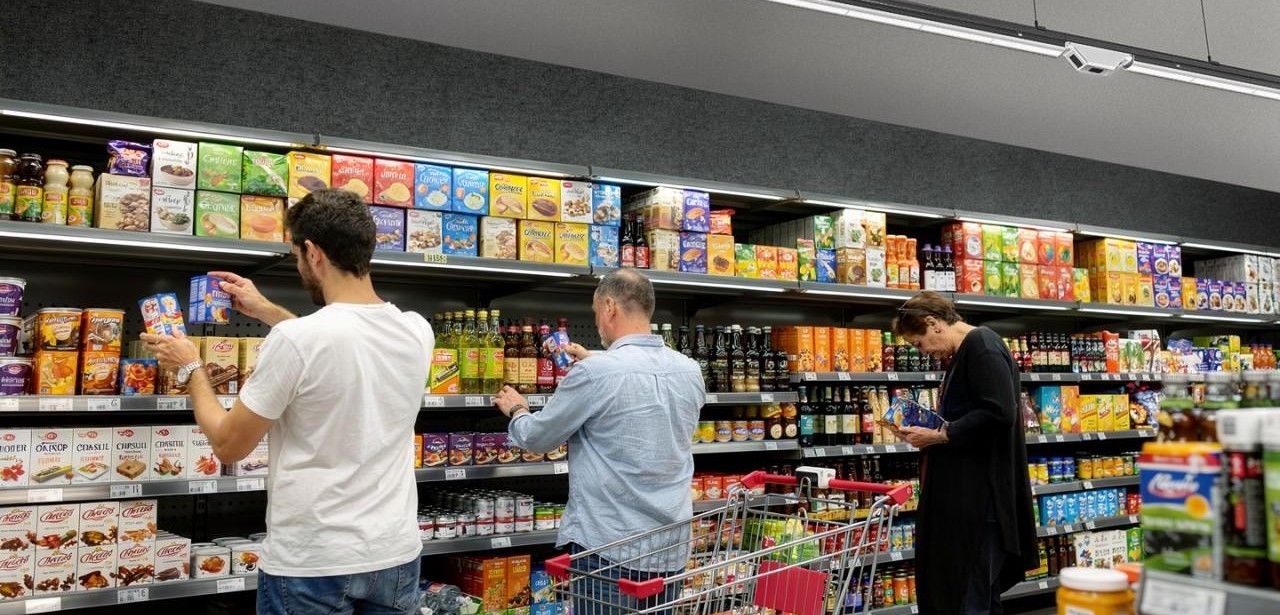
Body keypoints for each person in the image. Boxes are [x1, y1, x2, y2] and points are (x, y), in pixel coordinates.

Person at [143, 189, 433, 615]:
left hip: (313, 563)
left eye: (297, 255)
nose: (299, 266)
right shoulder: (416, 329)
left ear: (313, 253)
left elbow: (228, 445)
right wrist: (267, 310)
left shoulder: (297, 340)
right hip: (396, 555)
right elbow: (337, 346)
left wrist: (191, 368)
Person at [492, 269, 703, 614]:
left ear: (609, 307)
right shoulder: (689, 370)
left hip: (610, 549)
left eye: (594, 312)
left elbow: (537, 438)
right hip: (670, 548)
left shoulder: (595, 373)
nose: (596, 321)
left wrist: (517, 409)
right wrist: (598, 362)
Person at [888, 291, 1036, 615]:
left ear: (933, 323)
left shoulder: (982, 345)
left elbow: (1000, 412)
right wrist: (929, 429)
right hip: (967, 502)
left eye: (919, 343)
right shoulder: (964, 353)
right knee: (978, 597)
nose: (924, 352)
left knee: (972, 597)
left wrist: (942, 434)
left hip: (980, 505)